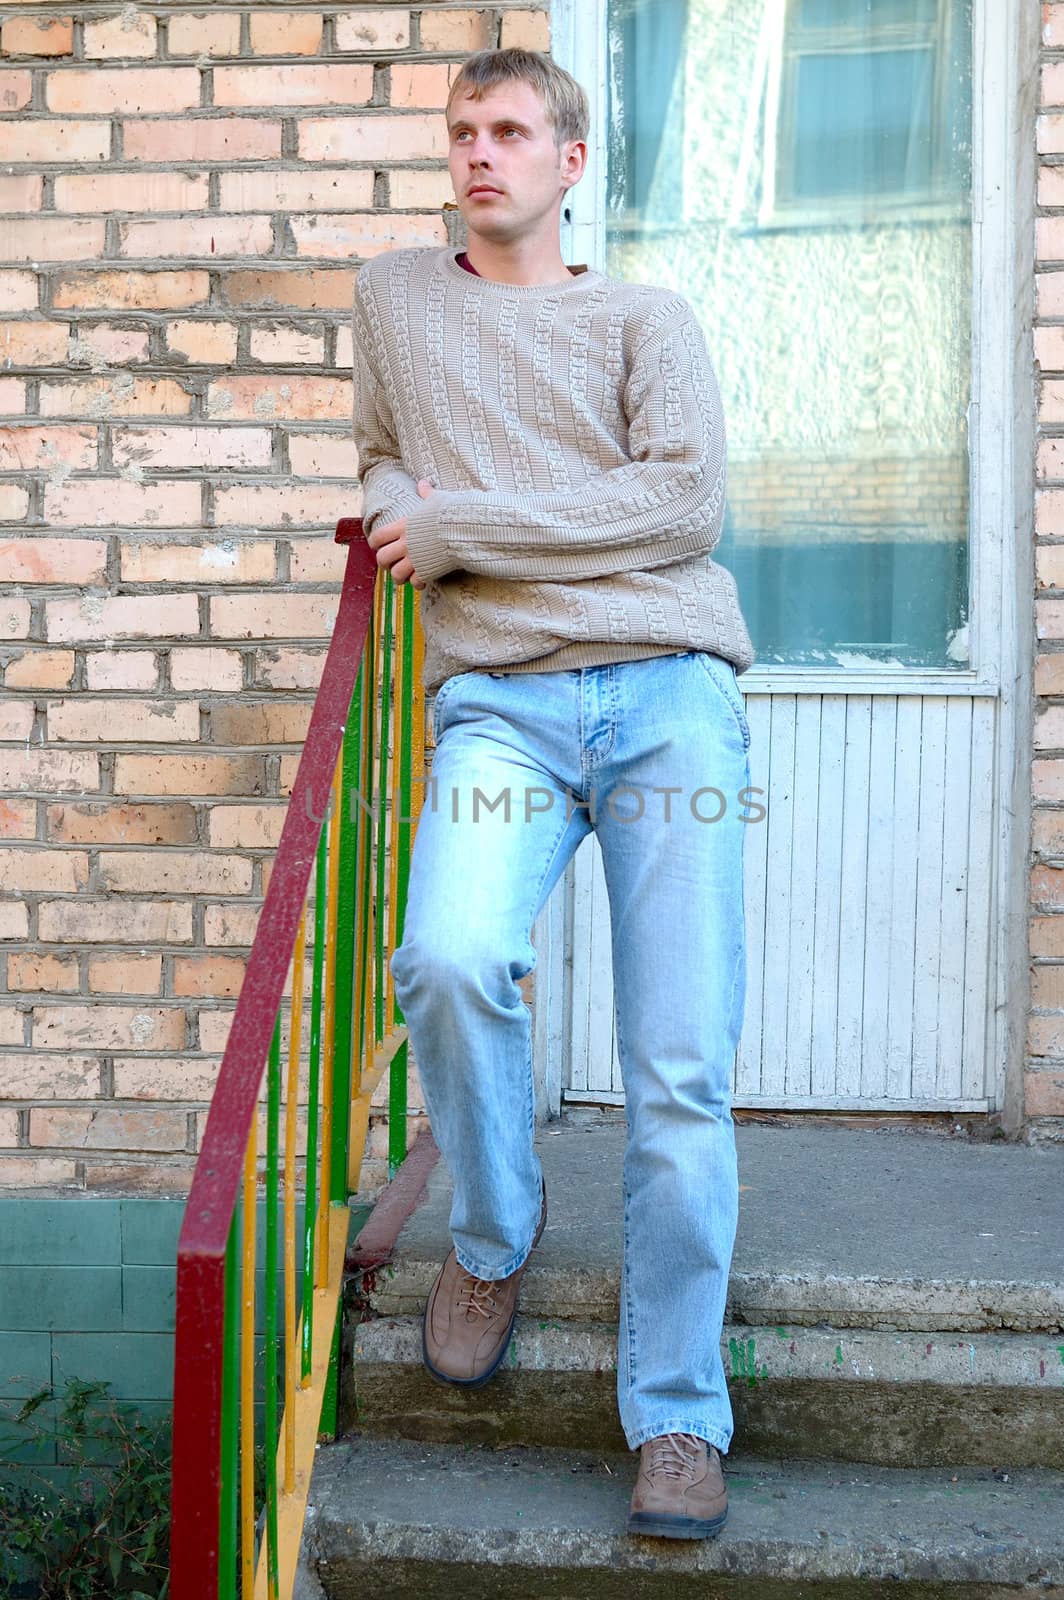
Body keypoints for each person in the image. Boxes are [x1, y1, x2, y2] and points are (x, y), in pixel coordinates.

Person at [351, 46, 756, 1541]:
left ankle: (676, 1416)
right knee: (450, 956)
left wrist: (471, 531)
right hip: (503, 713)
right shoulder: (398, 301)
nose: (480, 152)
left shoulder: (646, 317)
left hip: (667, 699)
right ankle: (496, 1228)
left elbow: (683, 504)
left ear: (568, 161)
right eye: (461, 131)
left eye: (511, 130)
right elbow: (388, 464)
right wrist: (411, 510)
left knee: (679, 1069)